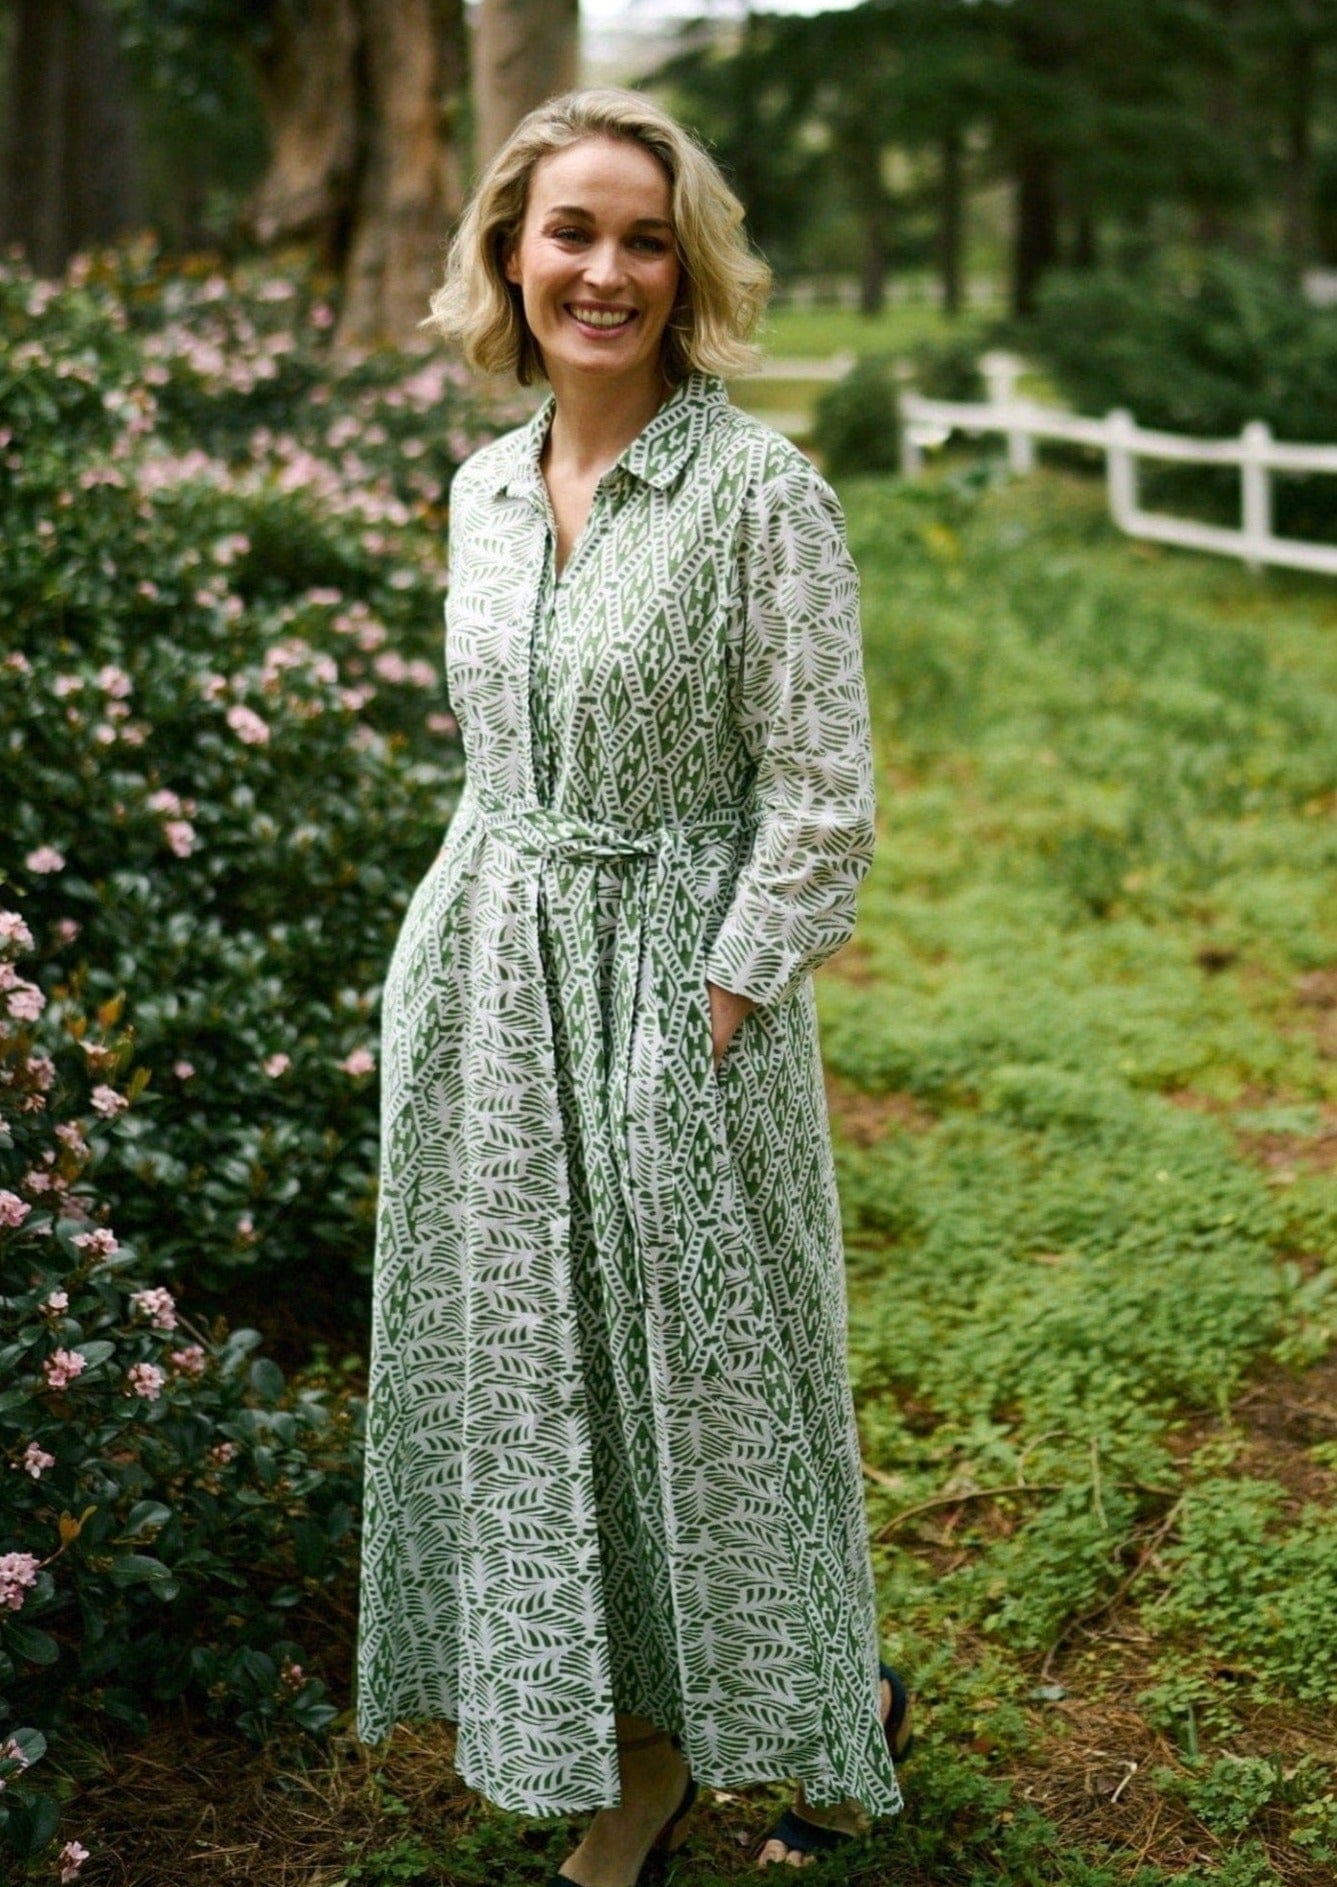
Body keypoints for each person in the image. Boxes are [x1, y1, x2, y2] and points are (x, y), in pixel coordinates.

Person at [353, 85, 912, 1882]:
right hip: (498, 980)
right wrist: (435, 955)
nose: (603, 271)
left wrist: (721, 1005)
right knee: (546, 1374)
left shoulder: (760, 496)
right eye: (569, 232)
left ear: (690, 268)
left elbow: (821, 795)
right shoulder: (483, 491)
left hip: (682, 991)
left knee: (720, 1378)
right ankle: (635, 1749)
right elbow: (490, 758)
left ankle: (828, 1695)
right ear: (508, 254)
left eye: (643, 238)